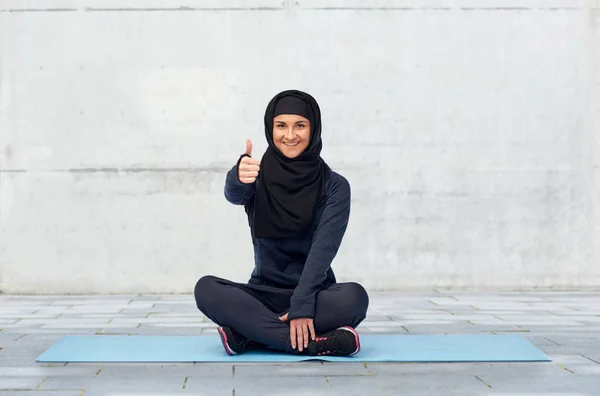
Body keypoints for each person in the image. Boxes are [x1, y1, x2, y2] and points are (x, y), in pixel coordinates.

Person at [194, 89, 369, 357]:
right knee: (205, 289)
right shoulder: (256, 175)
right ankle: (310, 344)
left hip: (316, 295)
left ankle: (251, 335)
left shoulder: (335, 187)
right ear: (270, 129)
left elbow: (324, 250)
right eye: (281, 126)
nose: (289, 135)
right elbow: (235, 195)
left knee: (355, 298)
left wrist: (302, 304)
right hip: (262, 295)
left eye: (300, 125)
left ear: (314, 129)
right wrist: (236, 176)